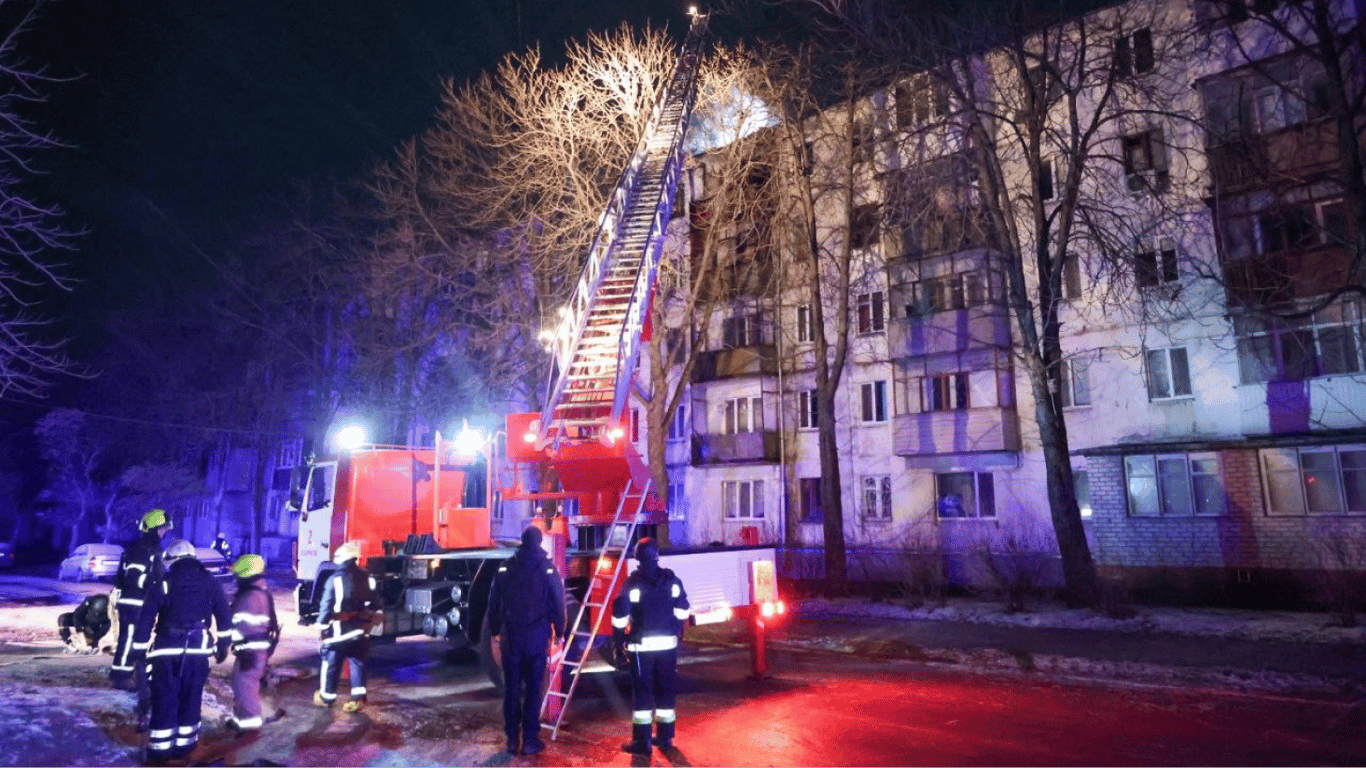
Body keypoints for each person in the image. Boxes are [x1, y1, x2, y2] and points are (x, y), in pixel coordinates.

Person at [132, 539, 232, 764]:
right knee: (191, 697)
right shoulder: (210, 581)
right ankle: (186, 745)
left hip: (166, 651)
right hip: (197, 651)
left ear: (173, 559)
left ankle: (160, 749)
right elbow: (224, 616)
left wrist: (138, 650)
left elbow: (146, 618)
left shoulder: (164, 582)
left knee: (165, 697)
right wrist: (223, 646)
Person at [486, 526, 566, 757]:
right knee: (533, 690)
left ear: (521, 541)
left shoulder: (505, 567)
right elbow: (559, 604)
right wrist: (559, 631)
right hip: (536, 639)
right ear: (539, 542)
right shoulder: (547, 569)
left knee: (511, 689)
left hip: (511, 638)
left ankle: (512, 740)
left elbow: (493, 603)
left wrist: (495, 631)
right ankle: (530, 741)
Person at [611, 537, 690, 756]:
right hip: (668, 647)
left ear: (637, 557)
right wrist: (675, 628)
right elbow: (683, 610)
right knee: (666, 690)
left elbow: (620, 614)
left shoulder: (632, 583)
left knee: (643, 694)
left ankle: (642, 742)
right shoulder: (672, 581)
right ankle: (665, 738)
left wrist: (618, 641)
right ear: (657, 555)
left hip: (641, 648)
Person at [111, 508, 173, 729]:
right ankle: (121, 675)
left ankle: (128, 672)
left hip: (140, 601)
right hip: (134, 601)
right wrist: (153, 587)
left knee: (133, 638)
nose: (164, 532)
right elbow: (133, 577)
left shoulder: (149, 547)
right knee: (128, 638)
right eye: (162, 529)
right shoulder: (142, 548)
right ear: (153, 528)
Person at [314, 541, 380, 712]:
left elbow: (326, 605)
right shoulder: (367, 577)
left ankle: (326, 698)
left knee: (331, 664)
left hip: (339, 633)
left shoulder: (334, 579)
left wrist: (322, 626)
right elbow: (376, 603)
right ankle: (358, 700)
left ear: (341, 559)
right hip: (360, 630)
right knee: (358, 663)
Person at [227, 554, 280, 733]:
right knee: (240, 684)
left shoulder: (249, 596)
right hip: (253, 649)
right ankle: (240, 719)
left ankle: (249, 727)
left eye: (238, 576)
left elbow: (238, 625)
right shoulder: (258, 592)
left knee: (246, 686)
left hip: (250, 650)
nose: (236, 580)